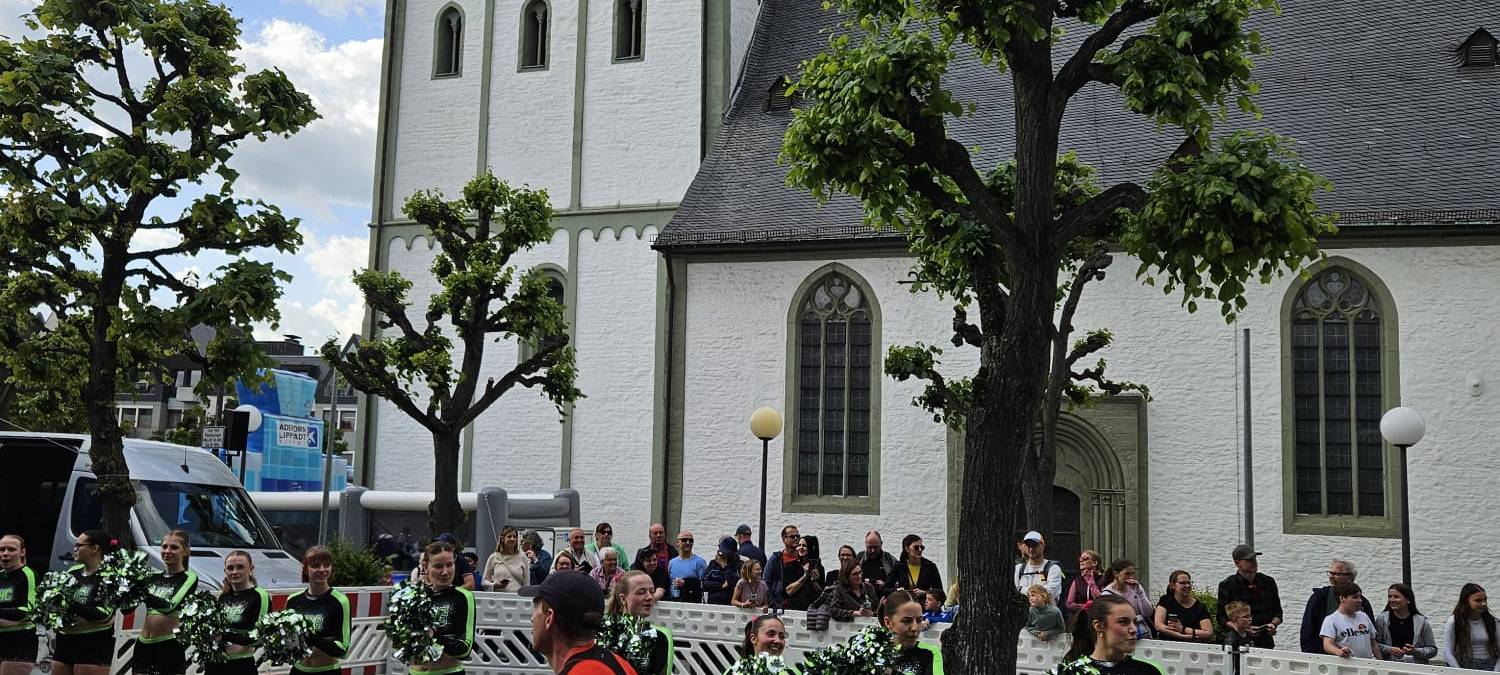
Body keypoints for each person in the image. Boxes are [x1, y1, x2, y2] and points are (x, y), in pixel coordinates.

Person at [519, 571, 638, 674]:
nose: (532, 618)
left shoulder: (582, 671)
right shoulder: (619, 663)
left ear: (549, 617)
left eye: (536, 608)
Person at [51, 530, 120, 675]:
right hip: (65, 641)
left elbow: (103, 615)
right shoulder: (73, 571)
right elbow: (56, 607)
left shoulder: (109, 575)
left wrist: (70, 603)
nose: (74, 549)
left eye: (79, 545)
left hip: (93, 643)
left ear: (95, 549)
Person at [135, 530, 199, 675]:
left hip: (168, 645)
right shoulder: (152, 576)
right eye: (164, 547)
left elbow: (170, 607)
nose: (167, 551)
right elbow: (127, 608)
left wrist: (141, 592)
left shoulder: (189, 577)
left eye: (174, 547)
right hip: (143, 645)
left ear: (186, 551)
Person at [1057, 594, 1165, 675]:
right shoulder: (1073, 671)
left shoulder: (1147, 671)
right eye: (1123, 622)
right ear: (1099, 626)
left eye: (1135, 622)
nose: (1134, 629)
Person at [285, 545, 351, 675]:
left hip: (326, 671)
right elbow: (288, 640)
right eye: (315, 565)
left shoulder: (339, 601)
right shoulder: (293, 600)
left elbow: (342, 648)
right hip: (299, 670)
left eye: (326, 565)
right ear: (305, 569)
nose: (322, 570)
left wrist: (311, 636)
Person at [413, 541, 476, 675]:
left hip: (448, 672)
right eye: (438, 566)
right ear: (426, 566)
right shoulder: (413, 597)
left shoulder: (462, 597)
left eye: (449, 565)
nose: (445, 572)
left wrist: (433, 635)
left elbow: (464, 649)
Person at [207, 550, 269, 675]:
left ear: (251, 569)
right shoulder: (224, 597)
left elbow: (259, 636)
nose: (235, 572)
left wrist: (224, 636)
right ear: (225, 571)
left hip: (240, 665)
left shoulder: (259, 595)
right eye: (230, 568)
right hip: (215, 663)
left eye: (240, 567)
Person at [605, 571, 673, 675]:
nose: (649, 597)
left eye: (651, 591)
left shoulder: (659, 637)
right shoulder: (604, 633)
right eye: (641, 592)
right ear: (623, 598)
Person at [1298, 559, 1374, 654]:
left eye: (1336, 574)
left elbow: (1372, 638)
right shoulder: (1319, 598)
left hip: (1356, 659)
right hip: (1324, 657)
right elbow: (1307, 630)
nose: (1331, 577)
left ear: (1350, 577)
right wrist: (1309, 656)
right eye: (1330, 573)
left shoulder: (1362, 602)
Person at [1215, 544, 1282, 649]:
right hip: (1240, 642)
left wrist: (1273, 625)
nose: (1253, 562)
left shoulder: (1268, 582)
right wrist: (1241, 629)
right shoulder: (1228, 585)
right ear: (1237, 563)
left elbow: (1278, 612)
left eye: (1254, 559)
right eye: (1248, 560)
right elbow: (1221, 617)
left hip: (1265, 641)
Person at [883, 590, 944, 674]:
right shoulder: (874, 652)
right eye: (907, 621)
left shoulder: (930, 653)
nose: (915, 628)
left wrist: (892, 673)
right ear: (888, 622)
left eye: (919, 620)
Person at [0, 534, 37, 675]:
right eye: (2, 549)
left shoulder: (27, 574)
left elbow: (28, 610)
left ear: (22, 552)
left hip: (19, 641)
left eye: (11, 549)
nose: (5, 554)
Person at [1375, 583, 1437, 664]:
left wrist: (1415, 651)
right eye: (1389, 596)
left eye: (1396, 597)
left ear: (1408, 600)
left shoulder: (1422, 622)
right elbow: (1374, 645)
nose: (1392, 600)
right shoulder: (1382, 619)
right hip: (1390, 667)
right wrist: (1390, 650)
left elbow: (1432, 650)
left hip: (1416, 668)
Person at [1444, 583, 1500, 670]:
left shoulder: (1493, 622)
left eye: (1485, 599)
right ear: (1466, 601)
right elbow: (1447, 653)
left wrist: (1495, 672)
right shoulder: (1454, 621)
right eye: (1478, 600)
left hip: (1489, 665)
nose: (1484, 603)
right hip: (1465, 665)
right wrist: (1459, 672)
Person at [1319, 583, 1378, 660]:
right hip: (1347, 666)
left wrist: (1380, 661)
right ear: (1342, 598)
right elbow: (1327, 645)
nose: (1360, 600)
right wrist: (1339, 651)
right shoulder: (1331, 620)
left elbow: (1373, 643)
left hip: (1367, 665)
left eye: (1360, 597)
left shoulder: (1364, 616)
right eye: (1355, 597)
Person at [1154, 570, 1213, 642]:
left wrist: (1182, 629)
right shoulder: (1165, 601)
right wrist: (1181, 636)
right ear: (1173, 585)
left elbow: (1208, 633)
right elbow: (1158, 626)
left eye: (1189, 583)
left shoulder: (1200, 607)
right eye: (1182, 583)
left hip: (1192, 647)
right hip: (1167, 644)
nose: (1187, 585)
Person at [1100, 559, 1153, 639]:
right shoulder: (1107, 593)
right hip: (1121, 632)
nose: (1131, 577)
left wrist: (1140, 593)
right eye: (1127, 574)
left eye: (1132, 574)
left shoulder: (1136, 588)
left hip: (1141, 630)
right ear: (1116, 574)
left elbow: (1148, 612)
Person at [811, 560, 876, 621]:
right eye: (855, 574)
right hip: (849, 627)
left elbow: (877, 608)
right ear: (847, 576)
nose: (859, 576)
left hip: (869, 624)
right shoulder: (840, 589)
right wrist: (855, 613)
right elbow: (834, 611)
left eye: (860, 572)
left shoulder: (868, 587)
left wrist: (872, 613)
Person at [1014, 531, 1064, 607]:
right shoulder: (1018, 569)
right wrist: (1040, 591)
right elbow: (1016, 591)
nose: (1031, 549)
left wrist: (1024, 589)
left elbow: (1051, 592)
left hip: (1046, 615)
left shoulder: (1053, 568)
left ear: (1042, 546)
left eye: (1034, 545)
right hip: (1024, 614)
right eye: (1028, 545)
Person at [762, 525, 800, 609]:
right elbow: (766, 582)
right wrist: (773, 603)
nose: (796, 538)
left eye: (798, 536)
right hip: (779, 604)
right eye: (792, 536)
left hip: (797, 604)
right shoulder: (775, 558)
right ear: (784, 539)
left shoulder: (802, 558)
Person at [784, 535, 824, 611]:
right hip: (794, 608)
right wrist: (805, 576)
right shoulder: (791, 566)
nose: (801, 548)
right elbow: (789, 591)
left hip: (811, 609)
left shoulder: (818, 567)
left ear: (810, 548)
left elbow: (820, 593)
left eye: (804, 546)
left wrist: (814, 581)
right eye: (799, 545)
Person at [483, 526, 528, 592]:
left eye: (514, 537)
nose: (512, 539)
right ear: (503, 539)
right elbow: (484, 582)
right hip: (498, 598)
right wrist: (494, 585)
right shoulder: (493, 557)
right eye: (509, 536)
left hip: (517, 599)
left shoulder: (523, 558)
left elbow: (527, 584)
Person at [667, 530, 706, 603]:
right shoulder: (672, 563)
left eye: (691, 540)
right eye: (684, 540)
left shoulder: (699, 562)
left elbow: (704, 585)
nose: (688, 543)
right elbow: (669, 583)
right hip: (673, 601)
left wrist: (686, 583)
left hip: (692, 603)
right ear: (677, 543)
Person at [1065, 549, 1105, 618]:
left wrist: (1091, 582)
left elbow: (1102, 600)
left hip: (1098, 616)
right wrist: (1085, 606)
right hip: (1081, 618)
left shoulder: (1103, 579)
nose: (1081, 561)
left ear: (1095, 563)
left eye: (1085, 558)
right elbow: (1069, 604)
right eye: (1080, 559)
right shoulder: (1078, 581)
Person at [857, 531, 897, 596]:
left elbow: (899, 582)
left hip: (885, 599)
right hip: (862, 599)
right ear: (865, 544)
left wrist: (885, 585)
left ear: (881, 543)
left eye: (876, 547)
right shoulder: (858, 558)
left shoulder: (890, 560)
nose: (873, 550)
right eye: (870, 547)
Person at [703, 536, 741, 606]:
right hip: (713, 604)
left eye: (727, 553)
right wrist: (721, 586)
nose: (725, 555)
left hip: (731, 605)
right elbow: (705, 584)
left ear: (734, 552)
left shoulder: (740, 565)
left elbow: (735, 583)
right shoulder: (713, 563)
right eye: (723, 552)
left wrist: (725, 566)